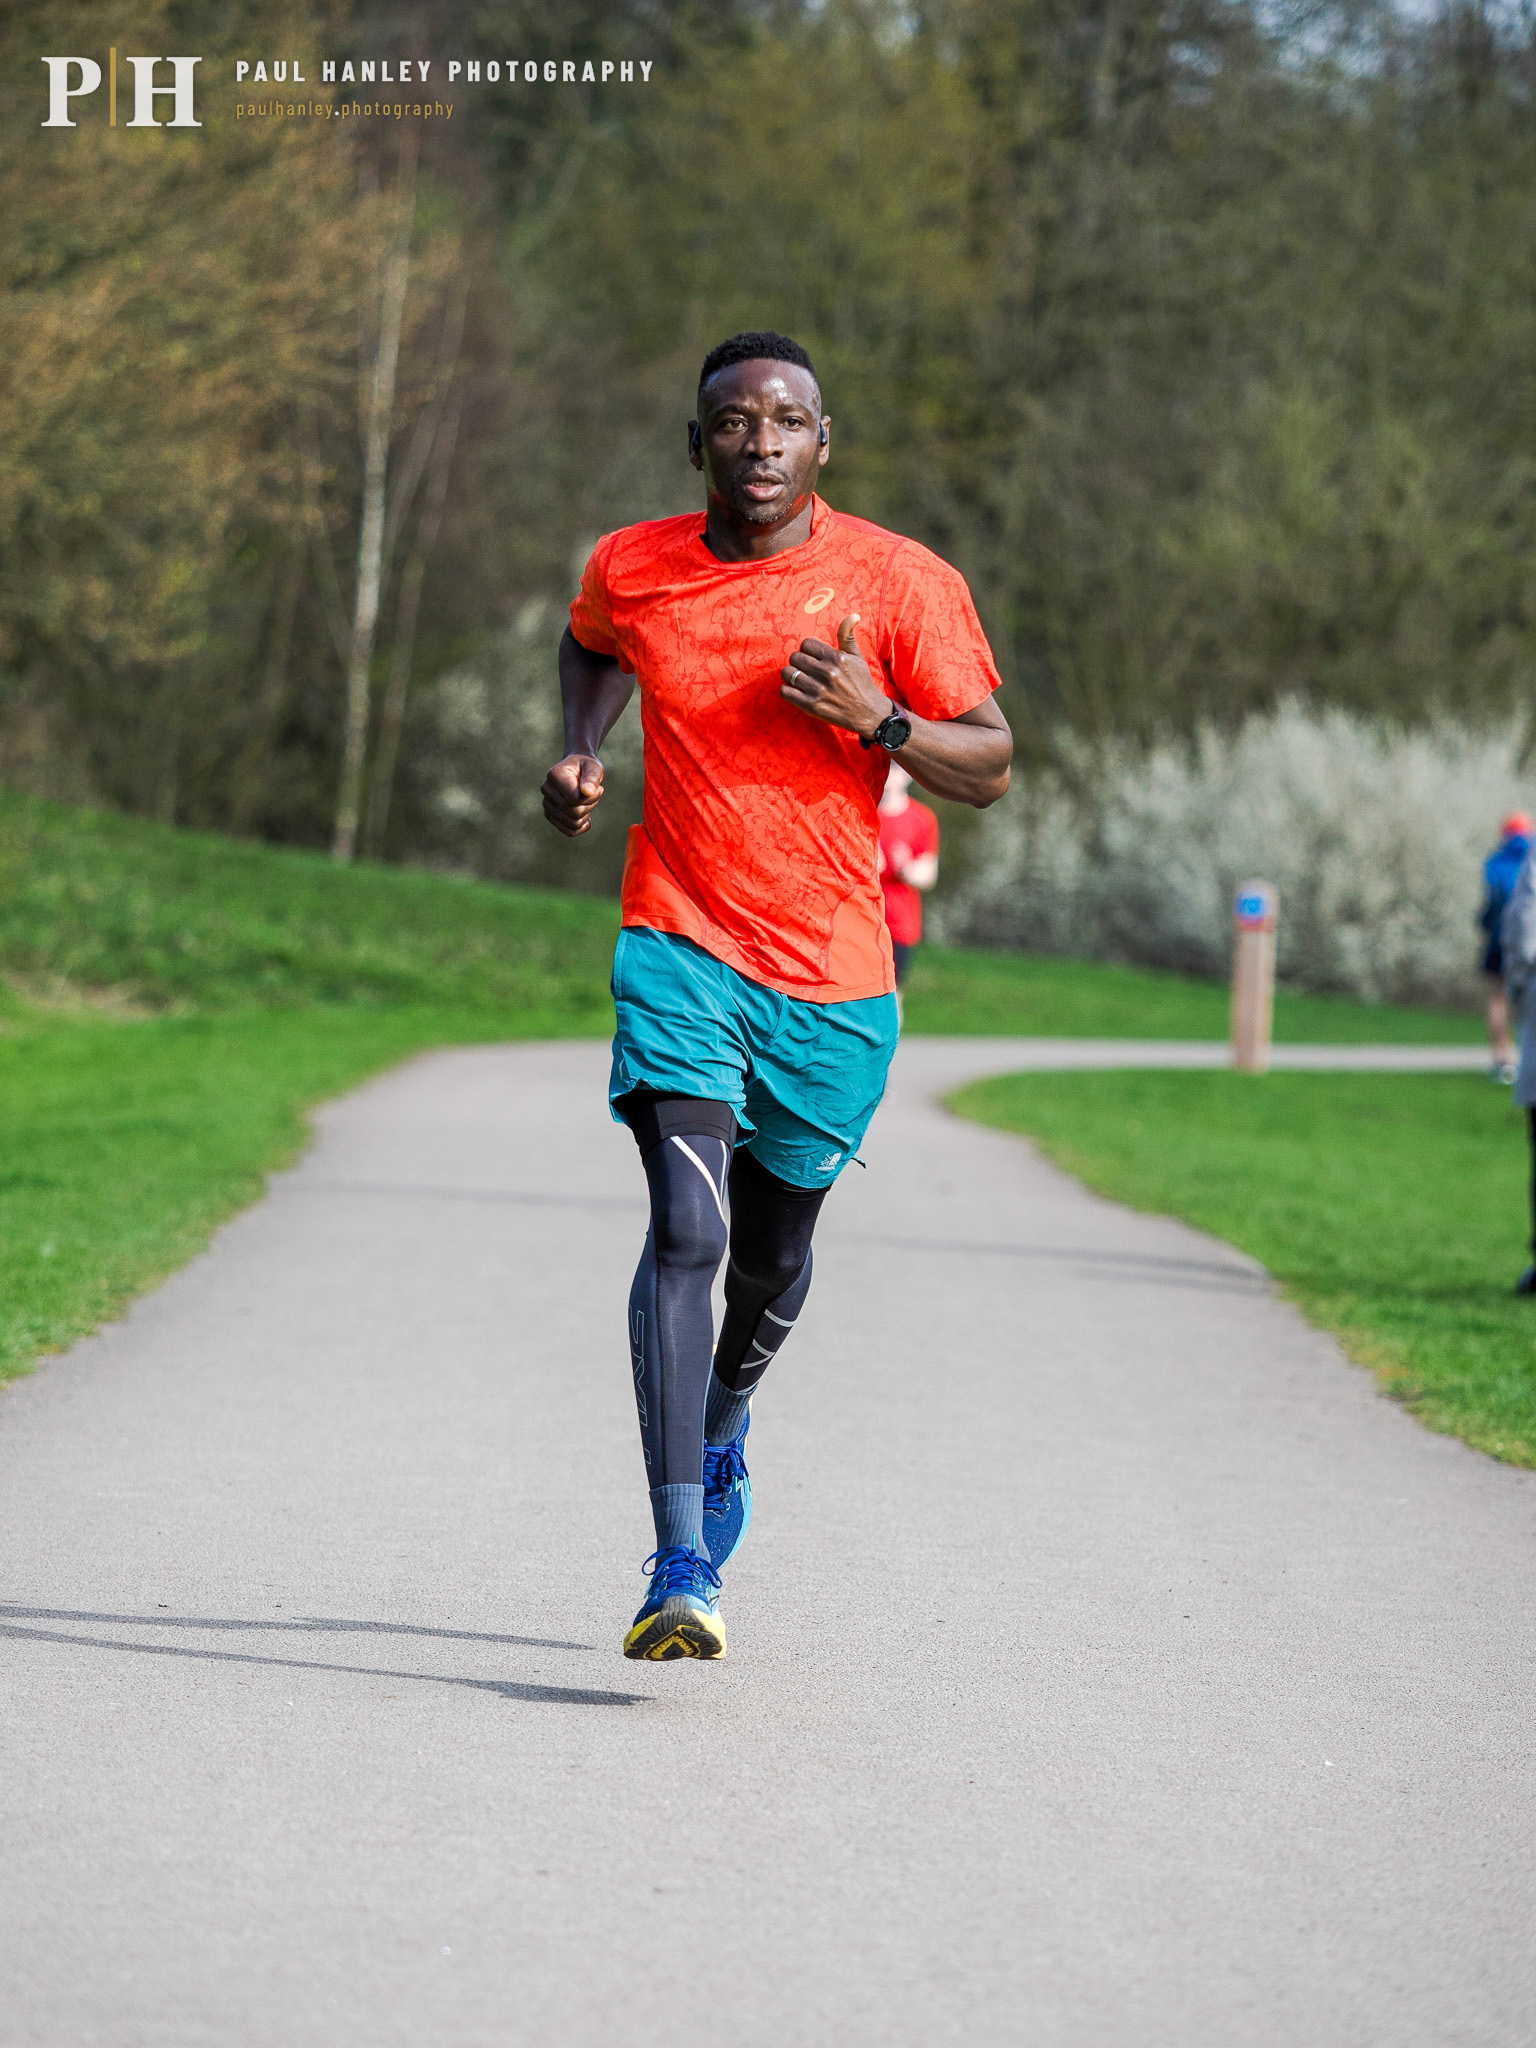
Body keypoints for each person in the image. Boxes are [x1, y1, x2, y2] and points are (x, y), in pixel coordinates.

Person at [540, 330, 1012, 1659]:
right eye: (734, 423)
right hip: (681, 939)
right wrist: (581, 750)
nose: (761, 442)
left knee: (772, 1256)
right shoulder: (633, 566)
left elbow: (994, 762)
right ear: (699, 446)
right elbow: (590, 646)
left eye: (786, 421)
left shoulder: (902, 583)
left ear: (823, 443)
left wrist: (886, 720)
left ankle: (729, 1415)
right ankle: (680, 1563)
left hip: (835, 980)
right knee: (685, 1234)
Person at [878, 763, 939, 1000]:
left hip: (899, 924)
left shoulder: (921, 818)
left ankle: (893, 1038)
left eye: (895, 768)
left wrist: (906, 869)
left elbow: (928, 874)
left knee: (892, 995)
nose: (890, 775)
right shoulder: (861, 811)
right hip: (862, 920)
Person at [1480, 812, 1531, 1082]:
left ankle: (1503, 1058)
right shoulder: (1531, 860)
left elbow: (1492, 903)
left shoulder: (1495, 862)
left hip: (1499, 940)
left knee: (1497, 998)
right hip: (1530, 941)